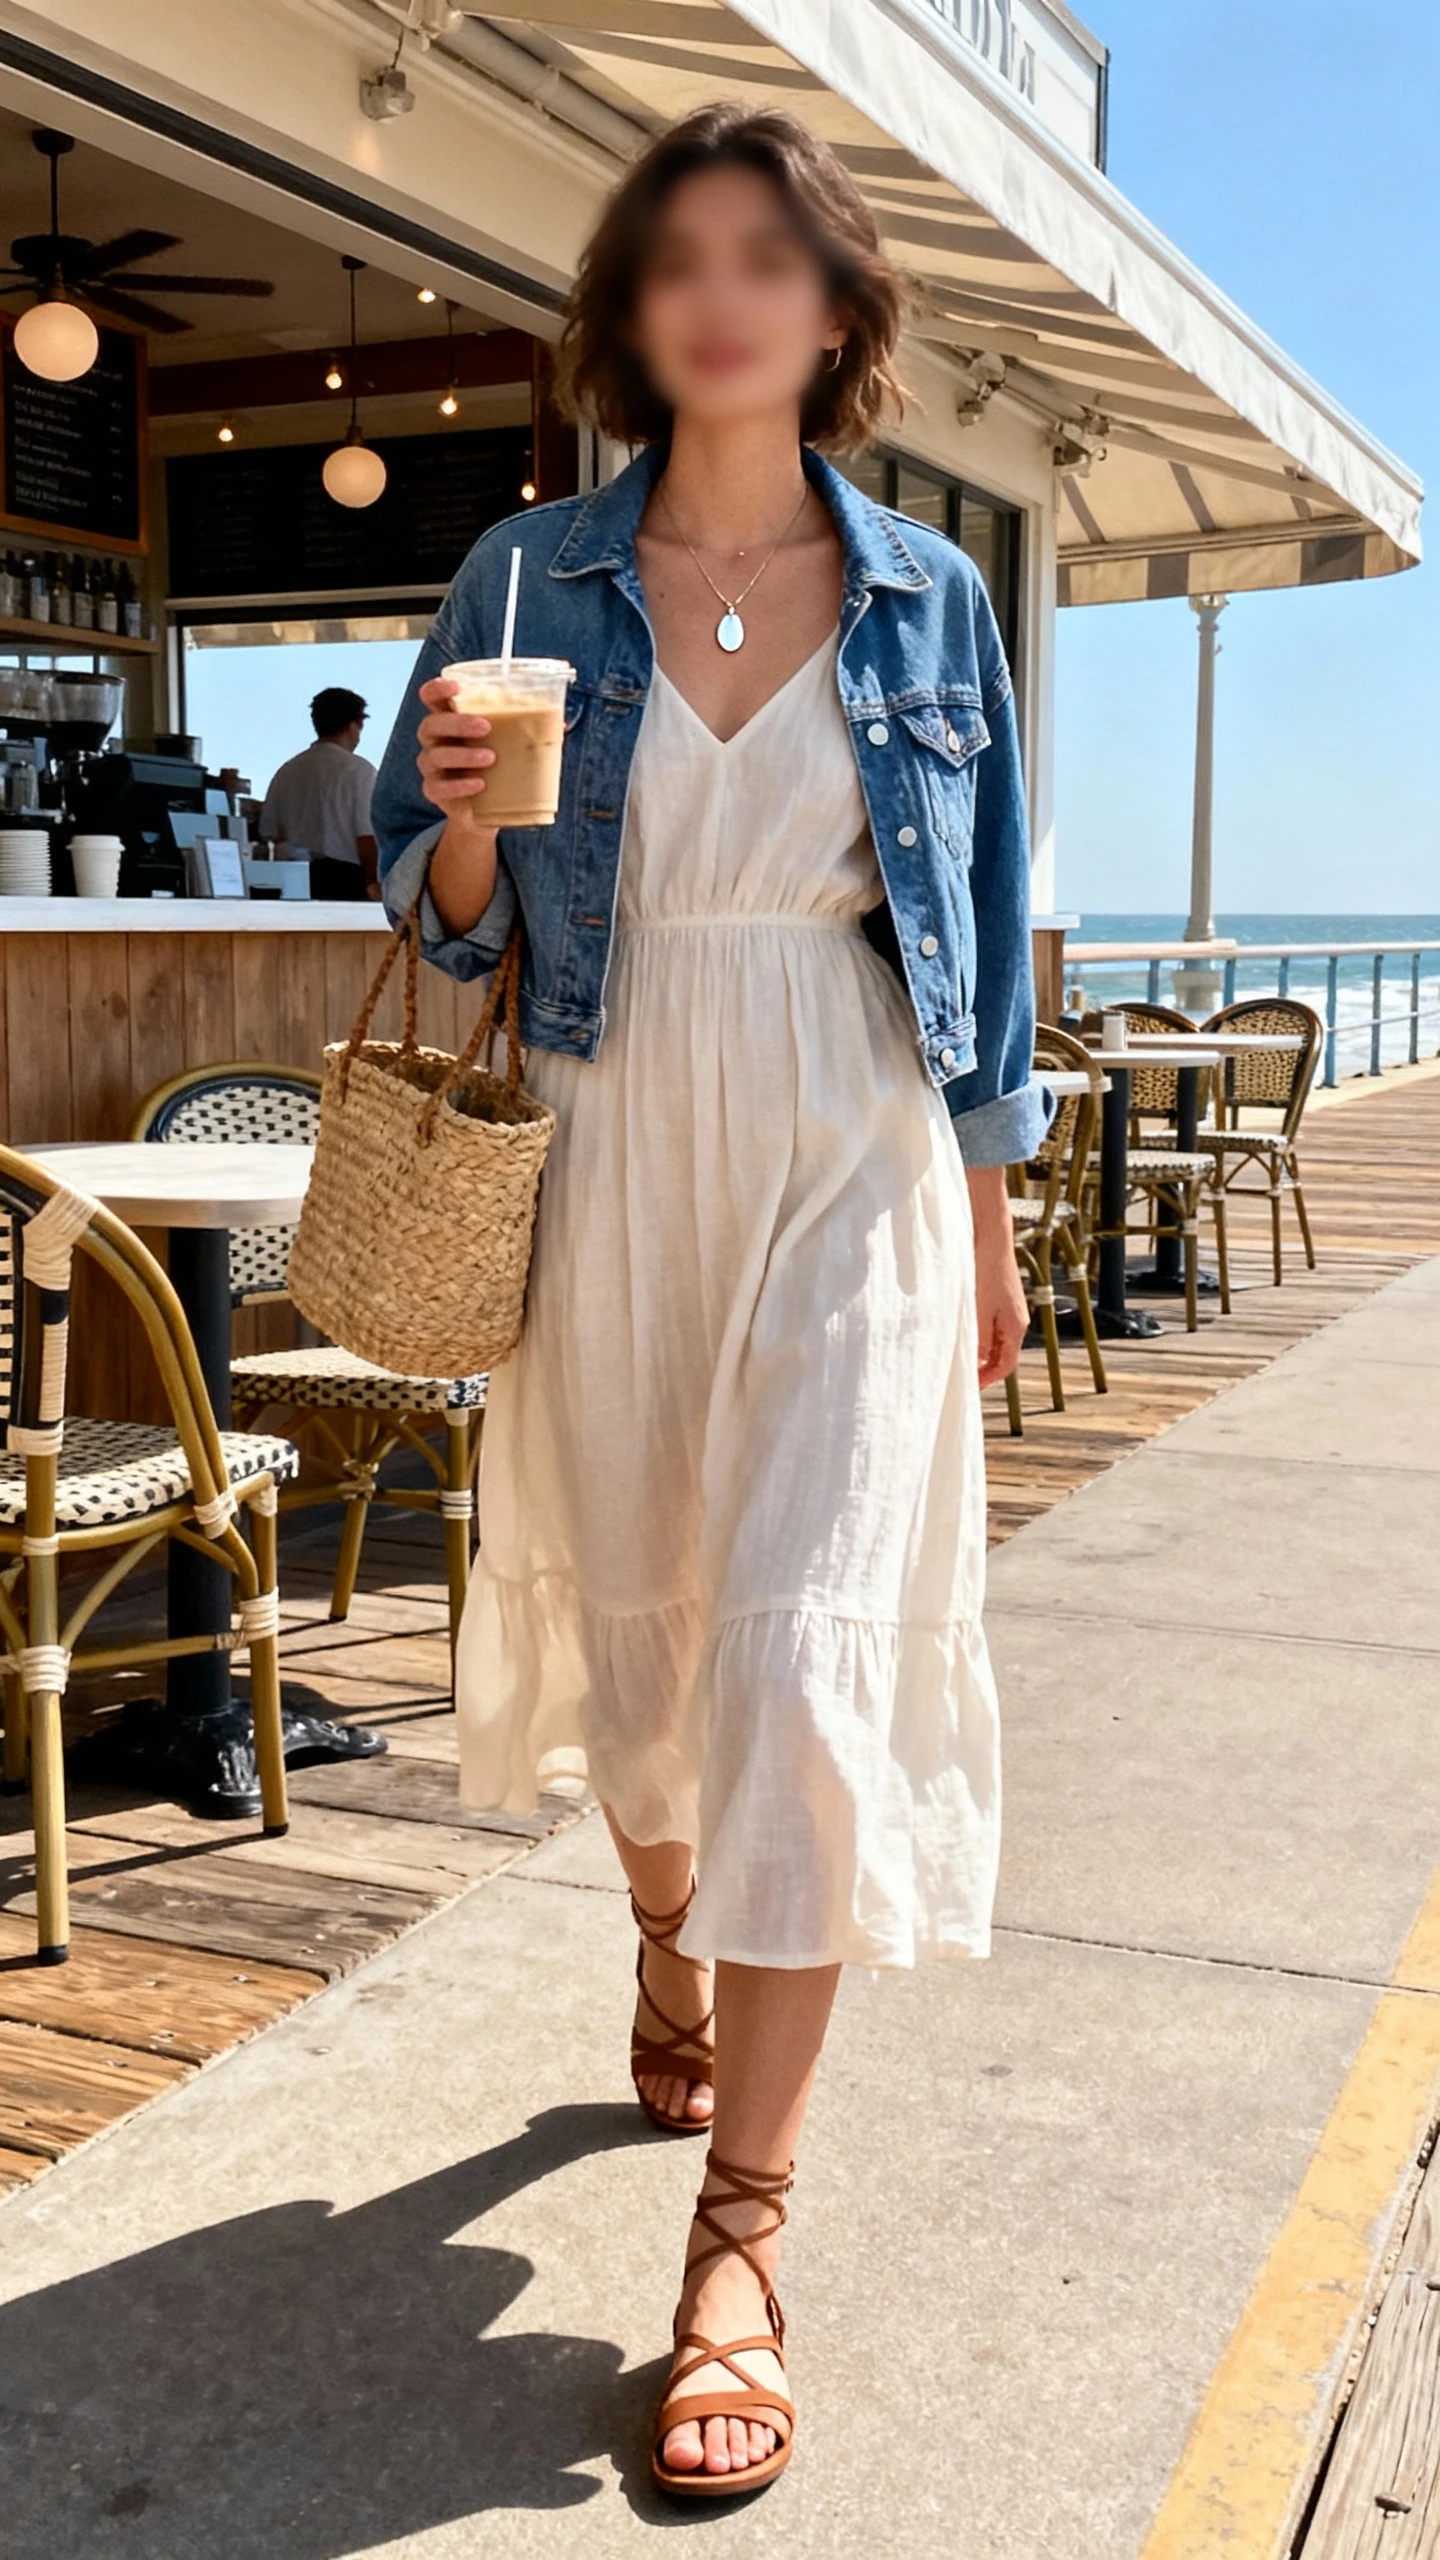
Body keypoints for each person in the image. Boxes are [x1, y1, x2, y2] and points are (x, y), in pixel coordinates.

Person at [373, 103, 1043, 2502]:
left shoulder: (929, 600)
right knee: (655, 1659)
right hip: (610, 1112)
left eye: (769, 255)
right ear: (632, 310)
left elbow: (972, 933)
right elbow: (445, 919)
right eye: (679, 256)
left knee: (795, 1652)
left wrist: (982, 1211)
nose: (722, 291)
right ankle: (666, 1930)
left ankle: (738, 2238)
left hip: (844, 1132)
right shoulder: (522, 573)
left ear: (835, 309)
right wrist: (462, 808)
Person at [260, 686, 379, 891]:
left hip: (293, 881)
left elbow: (270, 834)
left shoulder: (286, 772)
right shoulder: (360, 771)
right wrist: (374, 884)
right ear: (353, 726)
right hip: (346, 880)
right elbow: (366, 838)